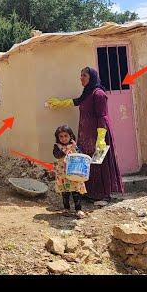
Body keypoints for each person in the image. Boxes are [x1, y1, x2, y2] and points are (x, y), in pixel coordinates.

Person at [45, 67, 124, 202]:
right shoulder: (88, 93)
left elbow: (102, 117)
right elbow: (77, 101)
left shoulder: (99, 94)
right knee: (87, 163)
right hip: (87, 135)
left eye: (84, 75)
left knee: (98, 162)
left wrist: (100, 139)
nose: (81, 78)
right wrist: (59, 103)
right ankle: (89, 192)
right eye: (80, 75)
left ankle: (102, 194)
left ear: (91, 77)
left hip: (99, 135)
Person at [52, 125, 86, 218]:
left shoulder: (74, 146)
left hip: (74, 173)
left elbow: (80, 155)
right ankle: (66, 209)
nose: (63, 138)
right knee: (65, 192)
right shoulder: (57, 146)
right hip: (63, 174)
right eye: (61, 136)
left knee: (76, 191)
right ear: (58, 137)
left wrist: (74, 148)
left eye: (66, 136)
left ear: (70, 136)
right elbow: (57, 155)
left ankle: (78, 209)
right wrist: (66, 149)